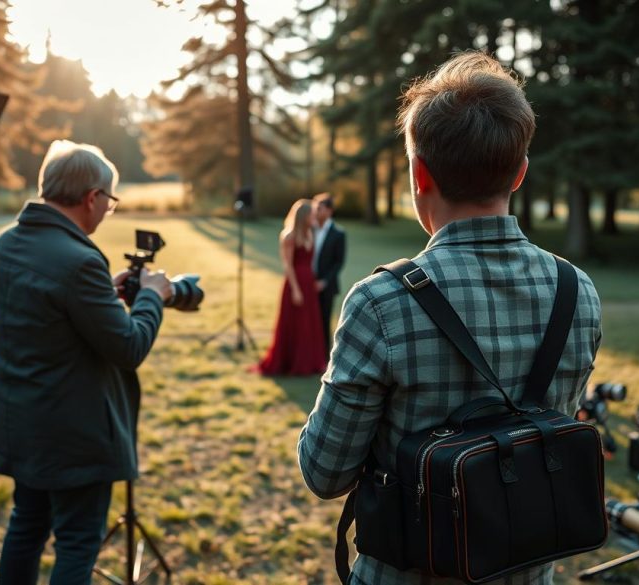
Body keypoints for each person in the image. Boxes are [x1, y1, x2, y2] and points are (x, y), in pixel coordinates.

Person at [298, 51, 602, 585]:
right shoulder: (578, 291)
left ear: (419, 175)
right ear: (521, 172)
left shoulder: (380, 304)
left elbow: (325, 472)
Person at [0, 140, 173, 585]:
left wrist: (100, 295)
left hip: (22, 420)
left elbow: (44, 316)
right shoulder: (78, 261)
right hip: (73, 435)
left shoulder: (7, 244)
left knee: (25, 529)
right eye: (110, 200)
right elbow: (129, 347)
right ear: (93, 197)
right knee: (76, 544)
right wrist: (152, 296)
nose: (109, 210)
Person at [255, 198, 328, 376]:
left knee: (309, 324)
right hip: (295, 284)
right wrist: (296, 289)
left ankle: (311, 363)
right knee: (295, 324)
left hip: (308, 283)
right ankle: (292, 362)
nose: (314, 216)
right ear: (303, 216)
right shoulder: (289, 236)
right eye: (311, 213)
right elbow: (287, 265)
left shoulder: (310, 233)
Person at [311, 192, 346, 352]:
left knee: (324, 321)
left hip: (327, 286)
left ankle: (325, 357)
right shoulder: (310, 229)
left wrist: (324, 281)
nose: (316, 211)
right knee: (308, 321)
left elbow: (339, 262)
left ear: (329, 211)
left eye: (320, 208)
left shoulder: (338, 234)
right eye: (315, 208)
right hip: (308, 282)